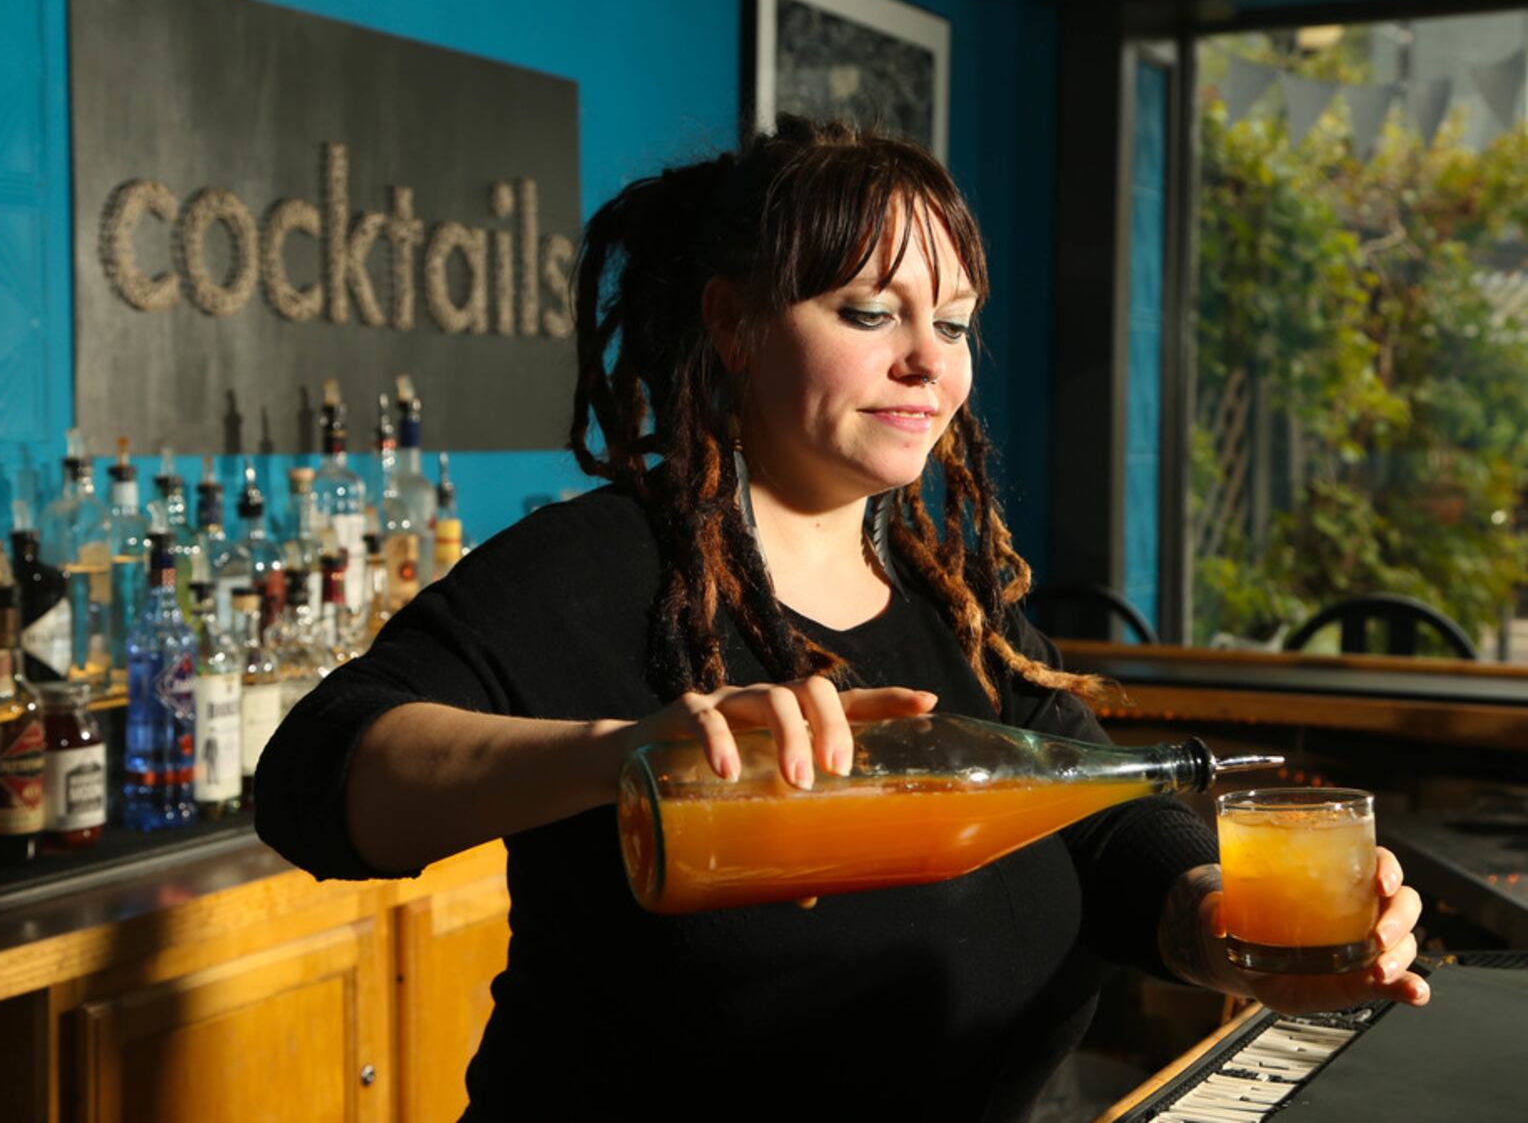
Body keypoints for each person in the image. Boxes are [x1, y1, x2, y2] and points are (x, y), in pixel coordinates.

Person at [254, 115, 1426, 1121]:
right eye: (872, 310)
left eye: (955, 322)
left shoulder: (949, 595)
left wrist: (1216, 919)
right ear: (734, 324)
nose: (928, 359)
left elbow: (1102, 810)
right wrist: (625, 750)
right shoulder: (608, 566)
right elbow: (311, 774)